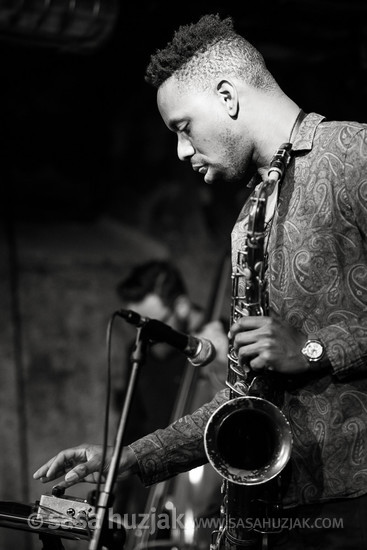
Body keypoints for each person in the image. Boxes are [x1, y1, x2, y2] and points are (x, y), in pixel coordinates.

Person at [33, 13, 367, 549]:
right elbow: (241, 399)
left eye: (183, 127)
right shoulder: (245, 225)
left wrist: (311, 351)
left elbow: (300, 355)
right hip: (279, 516)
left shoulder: (354, 155)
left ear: (228, 96)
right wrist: (129, 459)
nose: (183, 152)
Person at [112, 259, 226, 526]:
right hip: (151, 493)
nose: (146, 336)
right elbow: (133, 424)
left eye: (155, 324)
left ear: (182, 306)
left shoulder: (221, 340)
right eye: (140, 326)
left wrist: (222, 360)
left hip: (205, 497)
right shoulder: (140, 352)